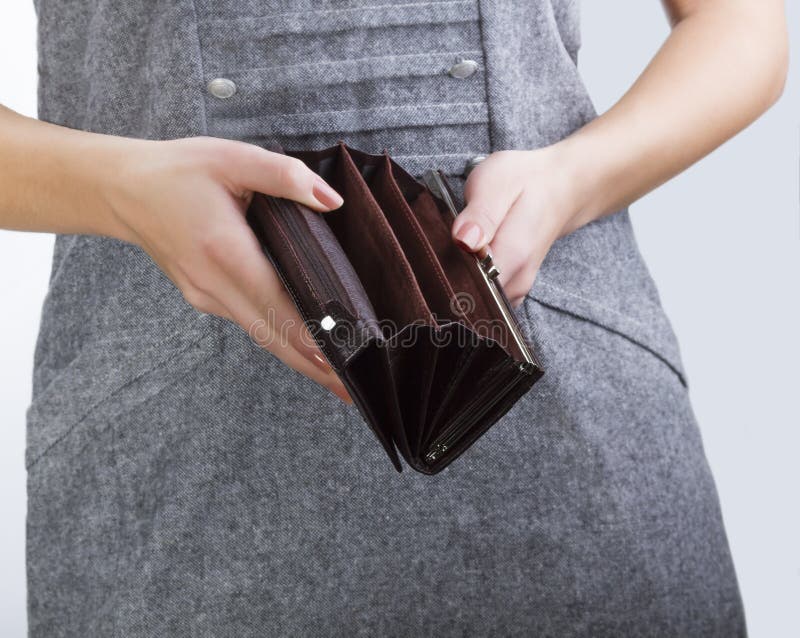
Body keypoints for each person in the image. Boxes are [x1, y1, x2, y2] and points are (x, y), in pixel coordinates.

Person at [2, 0, 786, 635]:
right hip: (167, 431)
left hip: (568, 393)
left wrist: (572, 179)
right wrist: (115, 184)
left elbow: (741, 24)